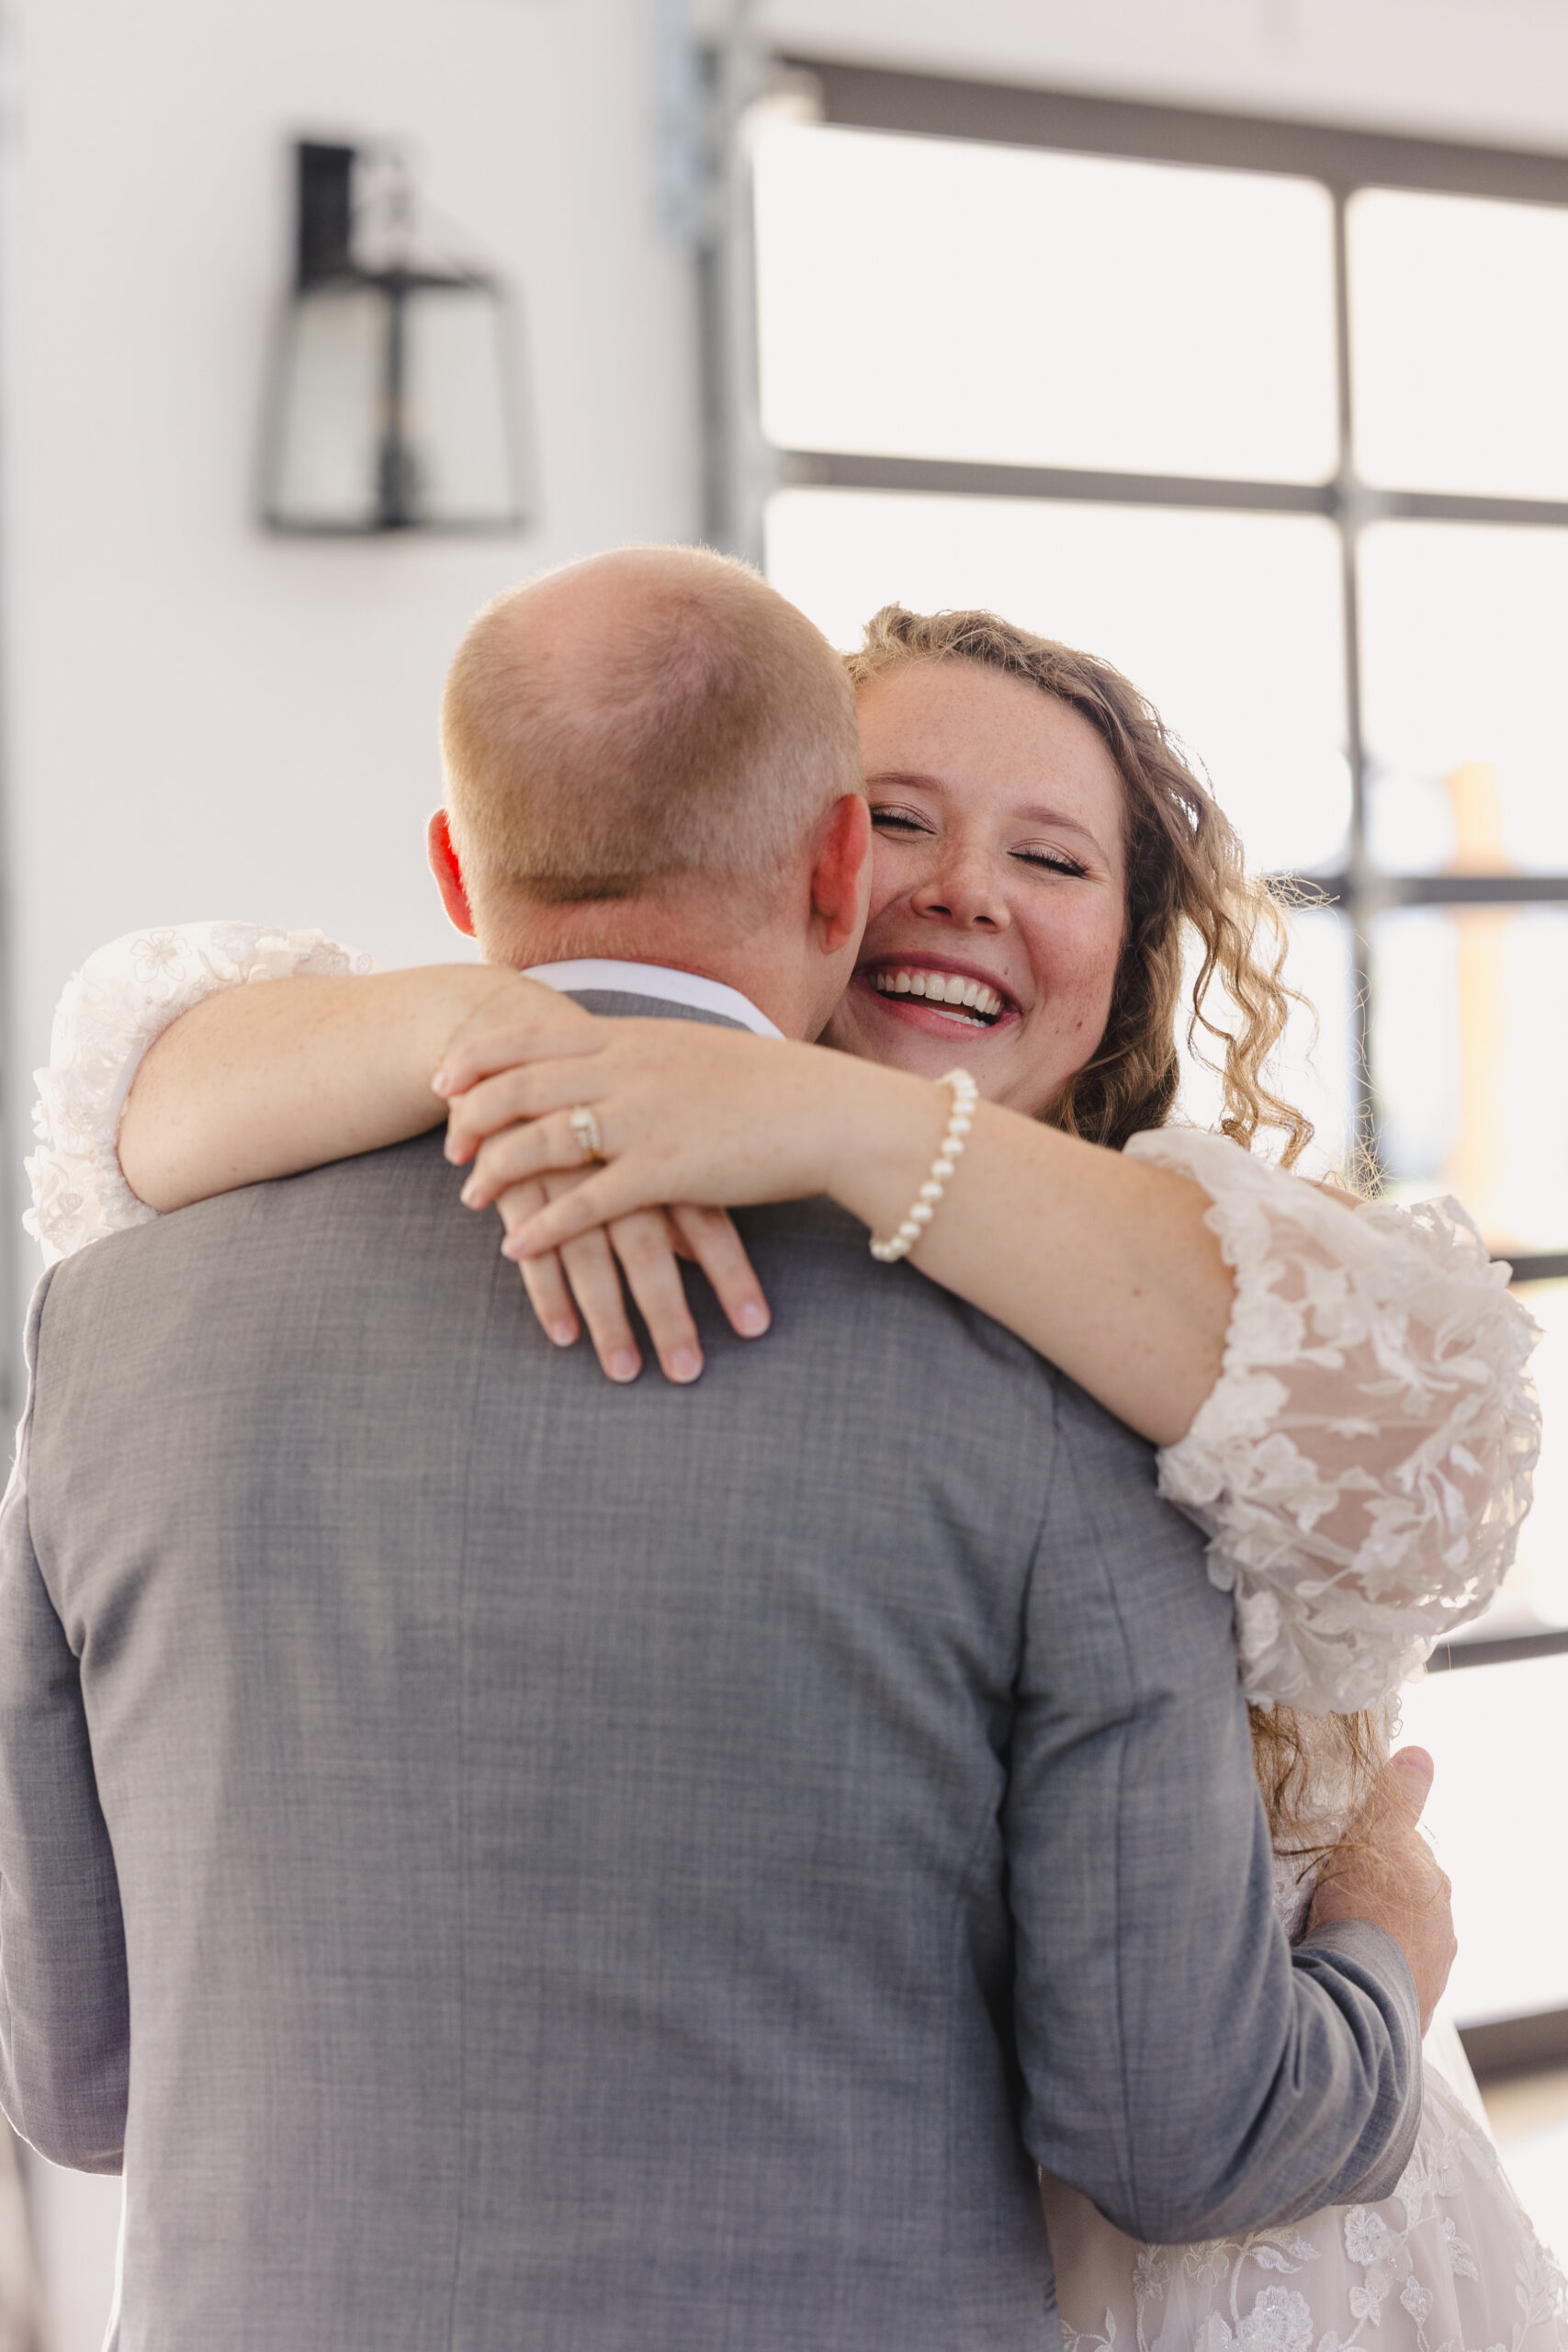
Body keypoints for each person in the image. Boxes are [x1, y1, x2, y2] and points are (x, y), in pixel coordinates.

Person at [0, 548, 1441, 2352]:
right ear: (838, 864)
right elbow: (1178, 2126)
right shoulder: (1066, 1366)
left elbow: (79, 2075)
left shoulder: (117, 1312)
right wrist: (1386, 1941)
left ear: (452, 871)